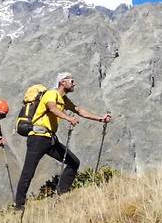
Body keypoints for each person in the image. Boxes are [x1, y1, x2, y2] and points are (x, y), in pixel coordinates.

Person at [12, 72, 112, 210]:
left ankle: (61, 194)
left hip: (50, 139)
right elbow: (52, 108)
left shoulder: (63, 99)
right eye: (71, 81)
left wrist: (101, 118)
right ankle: (19, 205)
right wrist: (68, 118)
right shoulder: (52, 94)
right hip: (38, 137)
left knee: (73, 162)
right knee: (28, 171)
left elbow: (80, 111)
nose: (74, 83)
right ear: (62, 83)